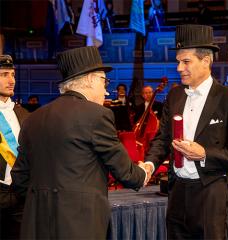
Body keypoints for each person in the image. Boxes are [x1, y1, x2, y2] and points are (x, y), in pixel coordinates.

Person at [10, 46, 149, 239]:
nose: (106, 91)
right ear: (90, 79)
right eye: (104, 81)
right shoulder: (97, 115)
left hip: (36, 223)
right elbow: (125, 172)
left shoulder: (32, 119)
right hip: (80, 225)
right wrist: (144, 173)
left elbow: (19, 179)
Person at [143, 24, 228, 239]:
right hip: (177, 193)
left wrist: (204, 154)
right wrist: (149, 164)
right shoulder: (174, 96)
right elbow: (163, 138)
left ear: (206, 61)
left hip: (211, 195)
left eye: (186, 62)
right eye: (178, 62)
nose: (178, 68)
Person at [0, 55, 30, 239]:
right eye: (4, 74)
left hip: (20, 193)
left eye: (13, 74)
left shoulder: (23, 113)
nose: (11, 80)